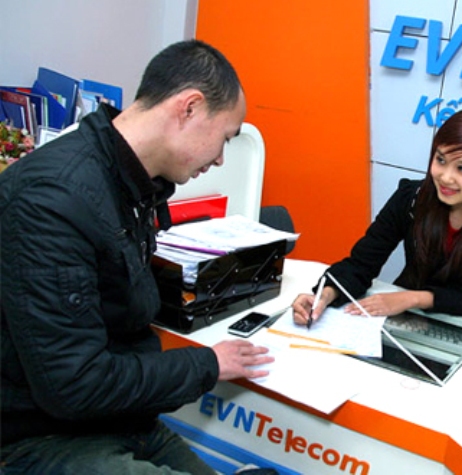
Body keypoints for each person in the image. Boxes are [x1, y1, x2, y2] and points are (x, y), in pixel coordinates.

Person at [1, 40, 276, 475]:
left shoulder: (129, 184)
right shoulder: (53, 199)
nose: (221, 159)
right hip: (41, 436)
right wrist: (207, 364)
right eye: (224, 139)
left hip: (121, 418)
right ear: (189, 107)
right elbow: (73, 386)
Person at [293, 107, 462, 325]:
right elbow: (362, 263)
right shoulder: (411, 197)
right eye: (440, 160)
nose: (445, 177)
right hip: (410, 318)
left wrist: (414, 298)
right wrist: (325, 295)